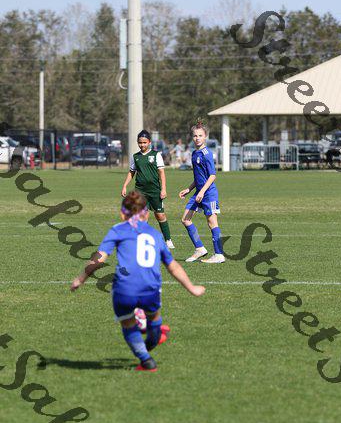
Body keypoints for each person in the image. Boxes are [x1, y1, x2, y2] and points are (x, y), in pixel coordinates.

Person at [71, 191, 205, 372]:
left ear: (122, 213)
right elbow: (173, 266)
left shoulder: (118, 229)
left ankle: (146, 360)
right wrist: (191, 288)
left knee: (127, 323)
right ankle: (153, 334)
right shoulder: (155, 234)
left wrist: (80, 279)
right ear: (146, 213)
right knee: (154, 318)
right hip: (150, 288)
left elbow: (99, 258)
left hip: (124, 290)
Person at [179, 120, 225, 263]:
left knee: (212, 222)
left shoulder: (207, 154)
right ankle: (200, 248)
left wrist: (202, 192)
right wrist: (189, 189)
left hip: (208, 193)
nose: (197, 138)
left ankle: (219, 254)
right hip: (198, 192)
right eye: (195, 136)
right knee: (185, 219)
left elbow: (212, 176)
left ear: (205, 137)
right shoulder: (194, 153)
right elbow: (199, 177)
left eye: (200, 135)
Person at [121, 130, 175, 249]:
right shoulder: (135, 157)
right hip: (140, 191)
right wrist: (124, 185)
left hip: (155, 190)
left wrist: (163, 189)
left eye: (144, 142)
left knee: (160, 215)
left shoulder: (156, 155)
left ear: (149, 142)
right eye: (140, 142)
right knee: (142, 216)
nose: (142, 145)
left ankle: (168, 240)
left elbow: (161, 173)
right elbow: (131, 172)